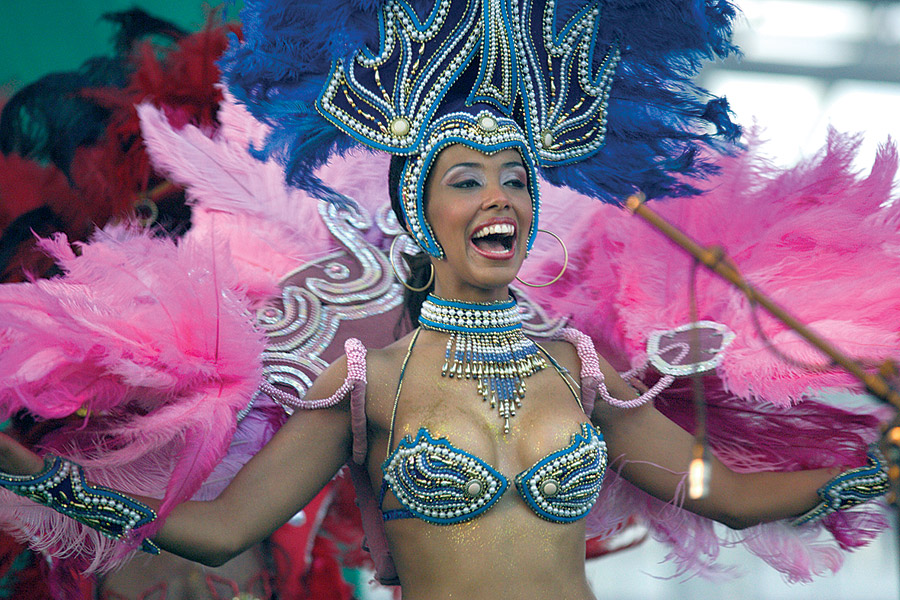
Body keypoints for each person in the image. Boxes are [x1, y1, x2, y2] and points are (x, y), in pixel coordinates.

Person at [0, 1, 892, 598]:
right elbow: (221, 527)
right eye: (467, 180)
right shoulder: (368, 381)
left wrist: (875, 473)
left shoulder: (578, 368)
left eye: (516, 179)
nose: (500, 197)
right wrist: (38, 480)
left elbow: (715, 490)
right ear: (420, 214)